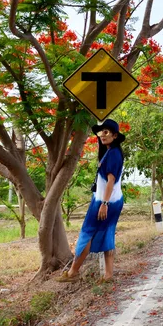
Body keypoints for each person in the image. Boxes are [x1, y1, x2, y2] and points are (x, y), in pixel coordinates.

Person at [57, 119, 125, 282]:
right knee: (108, 233)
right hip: (113, 201)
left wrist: (104, 204)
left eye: (107, 132)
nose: (102, 135)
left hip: (104, 202)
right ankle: (108, 275)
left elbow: (111, 180)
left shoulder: (114, 154)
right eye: (101, 132)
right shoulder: (111, 152)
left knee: (86, 234)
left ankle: (73, 273)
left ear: (115, 136)